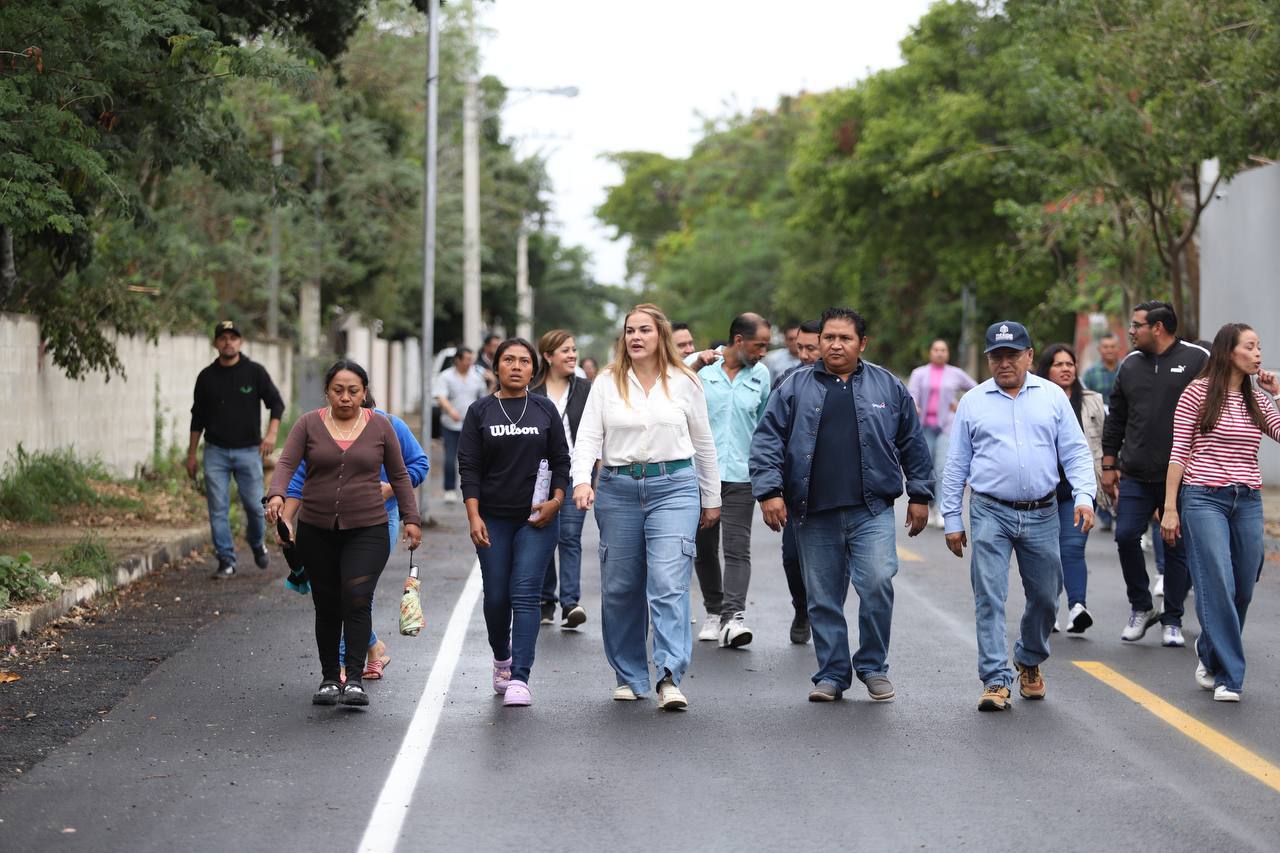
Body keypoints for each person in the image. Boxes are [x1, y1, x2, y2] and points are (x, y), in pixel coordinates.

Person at [751, 307, 933, 703]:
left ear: (861, 344)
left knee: (878, 582)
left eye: (845, 338)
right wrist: (769, 491)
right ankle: (832, 674)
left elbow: (913, 444)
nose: (835, 344)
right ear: (819, 342)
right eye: (829, 337)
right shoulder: (794, 386)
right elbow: (767, 441)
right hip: (813, 512)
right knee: (823, 597)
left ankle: (872, 666)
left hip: (871, 509)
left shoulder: (889, 387)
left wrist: (920, 494)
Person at [571, 303, 720, 710]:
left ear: (661, 336)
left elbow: (704, 442)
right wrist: (582, 480)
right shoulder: (606, 382)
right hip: (617, 489)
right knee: (621, 587)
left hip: (674, 487)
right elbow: (587, 437)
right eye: (630, 330)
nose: (636, 337)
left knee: (668, 582)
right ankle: (630, 674)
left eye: (645, 330)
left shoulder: (685, 381)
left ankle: (669, 675)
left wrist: (712, 498)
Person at [941, 321, 1095, 712]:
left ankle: (1028, 657)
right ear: (989, 359)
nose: (1004, 363)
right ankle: (995, 679)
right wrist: (953, 519)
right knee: (989, 596)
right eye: (997, 356)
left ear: (1029, 356)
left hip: (1042, 511)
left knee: (1046, 596)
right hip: (990, 510)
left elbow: (1075, 451)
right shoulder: (974, 401)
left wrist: (1084, 496)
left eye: (1013, 355)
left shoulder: (1053, 397)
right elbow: (956, 464)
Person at [265, 360, 422, 708]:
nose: (346, 398)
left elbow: (399, 475)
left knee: (356, 597)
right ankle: (327, 678)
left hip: (368, 528)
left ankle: (353, 679)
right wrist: (278, 496)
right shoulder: (308, 424)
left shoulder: (382, 426)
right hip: (316, 529)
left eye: (353, 391)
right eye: (338, 390)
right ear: (327, 392)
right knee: (327, 604)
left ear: (364, 393)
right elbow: (288, 465)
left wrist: (411, 518)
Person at [1160, 323, 1280, 702]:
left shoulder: (1257, 400)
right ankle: (1229, 675)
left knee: (1243, 586)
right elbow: (1179, 452)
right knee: (1218, 584)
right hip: (1203, 498)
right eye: (1251, 346)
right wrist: (1169, 508)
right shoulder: (1196, 393)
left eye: (1259, 347)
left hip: (1247, 501)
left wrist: (1278, 393)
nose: (1259, 353)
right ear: (1230, 352)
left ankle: (1209, 652)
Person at [459, 339, 571, 708]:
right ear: (496, 366)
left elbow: (561, 460)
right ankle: (501, 658)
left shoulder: (544, 409)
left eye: (525, 361)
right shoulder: (479, 412)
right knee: (496, 597)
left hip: (536, 519)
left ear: (533, 369)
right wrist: (474, 516)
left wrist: (556, 501)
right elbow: (469, 468)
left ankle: (520, 677)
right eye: (509, 360)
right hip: (492, 518)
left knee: (525, 595)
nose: (517, 366)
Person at [1101, 301, 1209, 647]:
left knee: (1175, 545)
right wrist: (1108, 464)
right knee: (1125, 536)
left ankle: (1173, 619)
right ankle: (1141, 607)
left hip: (1182, 476)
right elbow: (1116, 417)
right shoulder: (1130, 365)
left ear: (1158, 328)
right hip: (1134, 473)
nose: (1131, 332)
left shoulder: (1196, 360)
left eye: (1136, 326)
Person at [692, 313, 772, 647]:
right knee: (704, 548)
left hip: (742, 475)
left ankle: (733, 618)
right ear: (738, 341)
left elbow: (765, 425)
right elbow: (671, 377)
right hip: (699, 474)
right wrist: (695, 359)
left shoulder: (762, 375)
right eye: (759, 345)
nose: (763, 352)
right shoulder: (702, 372)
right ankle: (714, 609)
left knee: (737, 549)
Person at [187, 320, 285, 579]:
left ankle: (256, 543)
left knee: (254, 506)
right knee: (217, 508)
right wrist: (191, 455)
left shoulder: (254, 372)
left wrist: (271, 434)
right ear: (216, 343)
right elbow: (197, 418)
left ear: (240, 342)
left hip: (248, 451)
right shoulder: (206, 377)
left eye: (233, 337)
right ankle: (226, 560)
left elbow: (276, 403)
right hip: (215, 451)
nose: (228, 342)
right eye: (223, 338)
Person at [1036, 344, 1106, 634]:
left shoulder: (1092, 401)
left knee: (1073, 547)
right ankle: (1048, 607)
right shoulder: (1034, 399)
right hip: (1041, 490)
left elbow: (1105, 440)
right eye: (1058, 364)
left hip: (1078, 489)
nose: (1066, 368)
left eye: (1070, 363)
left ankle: (1078, 607)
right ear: (1046, 369)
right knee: (1046, 552)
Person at [531, 329, 592, 629]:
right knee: (544, 534)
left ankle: (571, 603)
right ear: (548, 356)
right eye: (565, 350)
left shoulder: (585, 389)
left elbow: (597, 432)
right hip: (538, 475)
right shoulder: (533, 391)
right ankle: (546, 601)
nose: (572, 355)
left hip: (575, 473)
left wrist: (595, 474)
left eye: (573, 349)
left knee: (569, 536)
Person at [777, 319, 821, 644]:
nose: (805, 355)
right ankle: (801, 607)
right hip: (796, 491)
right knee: (793, 558)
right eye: (800, 348)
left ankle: (824, 613)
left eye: (811, 349)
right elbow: (771, 437)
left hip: (836, 491)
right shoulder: (786, 381)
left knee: (833, 562)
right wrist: (771, 489)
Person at [907, 339, 977, 529]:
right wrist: (915, 405)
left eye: (943, 350)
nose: (939, 353)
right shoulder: (919, 373)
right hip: (924, 427)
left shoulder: (955, 373)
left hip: (947, 426)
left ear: (948, 353)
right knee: (926, 468)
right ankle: (929, 506)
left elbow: (976, 390)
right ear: (930, 352)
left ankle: (941, 509)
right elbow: (911, 394)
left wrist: (961, 405)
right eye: (936, 349)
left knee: (942, 468)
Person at [436, 347, 486, 504]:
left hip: (472, 425)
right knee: (450, 458)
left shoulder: (476, 376)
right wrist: (451, 411)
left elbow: (483, 397)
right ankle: (449, 489)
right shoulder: (445, 376)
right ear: (458, 360)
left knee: (474, 458)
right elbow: (440, 397)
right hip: (451, 424)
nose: (470, 362)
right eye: (467, 359)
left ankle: (476, 488)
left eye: (471, 359)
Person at [1083, 332, 1122, 402]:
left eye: (1113, 346)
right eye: (1105, 347)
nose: (1109, 350)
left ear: (1119, 348)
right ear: (1099, 349)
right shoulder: (1090, 374)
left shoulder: (1126, 370)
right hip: (1099, 412)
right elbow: (1085, 399)